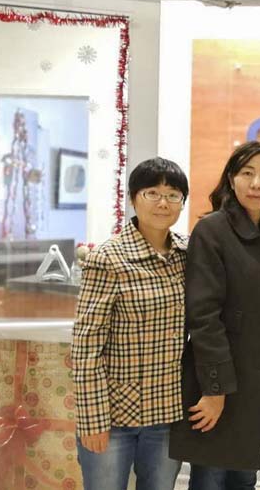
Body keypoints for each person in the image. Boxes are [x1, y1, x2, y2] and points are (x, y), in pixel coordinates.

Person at [169, 141, 260, 489]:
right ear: (231, 179)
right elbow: (204, 317)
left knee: (243, 477)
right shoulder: (213, 230)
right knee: (211, 478)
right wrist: (214, 390)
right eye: (247, 173)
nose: (256, 183)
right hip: (221, 381)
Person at [72, 157, 189, 490]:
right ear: (134, 198)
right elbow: (86, 345)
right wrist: (92, 419)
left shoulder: (187, 254)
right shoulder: (108, 258)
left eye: (173, 195)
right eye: (152, 193)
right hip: (114, 415)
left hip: (167, 412)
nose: (163, 203)